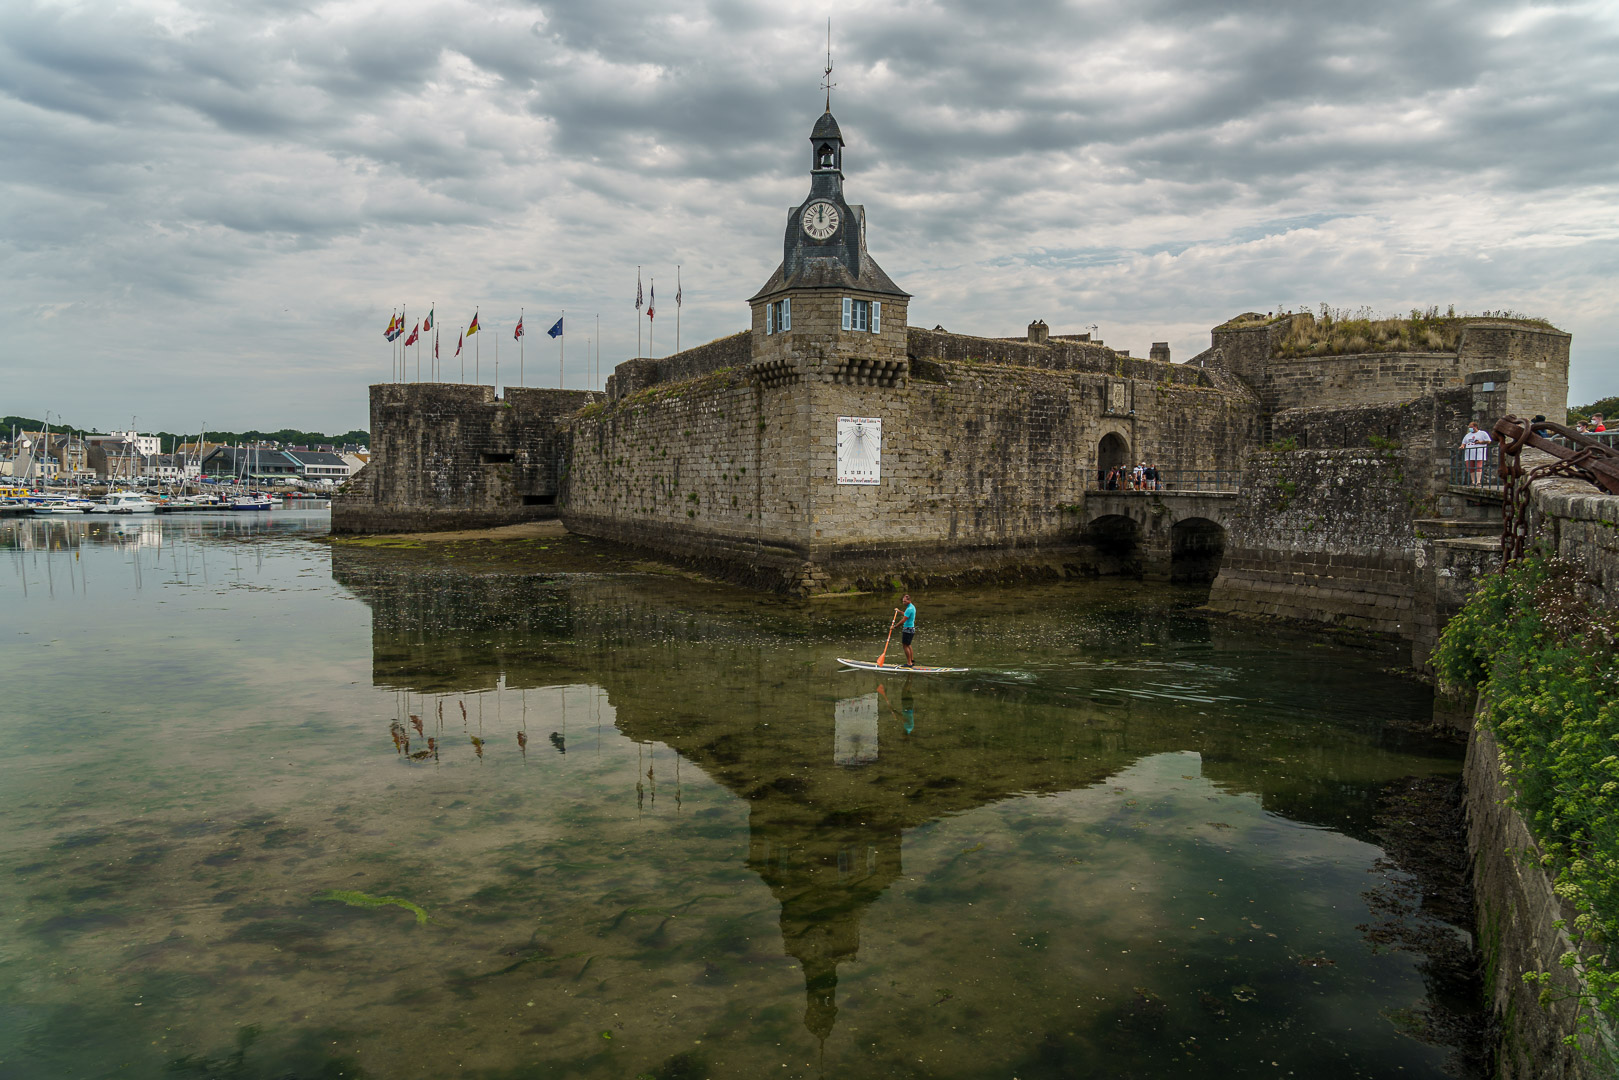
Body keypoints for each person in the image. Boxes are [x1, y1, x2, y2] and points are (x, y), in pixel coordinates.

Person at [894, 593, 917, 668]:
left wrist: (894, 627)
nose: (903, 603)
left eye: (905, 601)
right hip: (911, 629)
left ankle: (909, 663)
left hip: (908, 629)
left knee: (905, 645)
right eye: (903, 601)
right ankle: (911, 660)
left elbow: (903, 620)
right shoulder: (912, 607)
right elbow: (906, 614)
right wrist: (899, 611)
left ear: (909, 601)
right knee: (908, 645)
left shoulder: (909, 608)